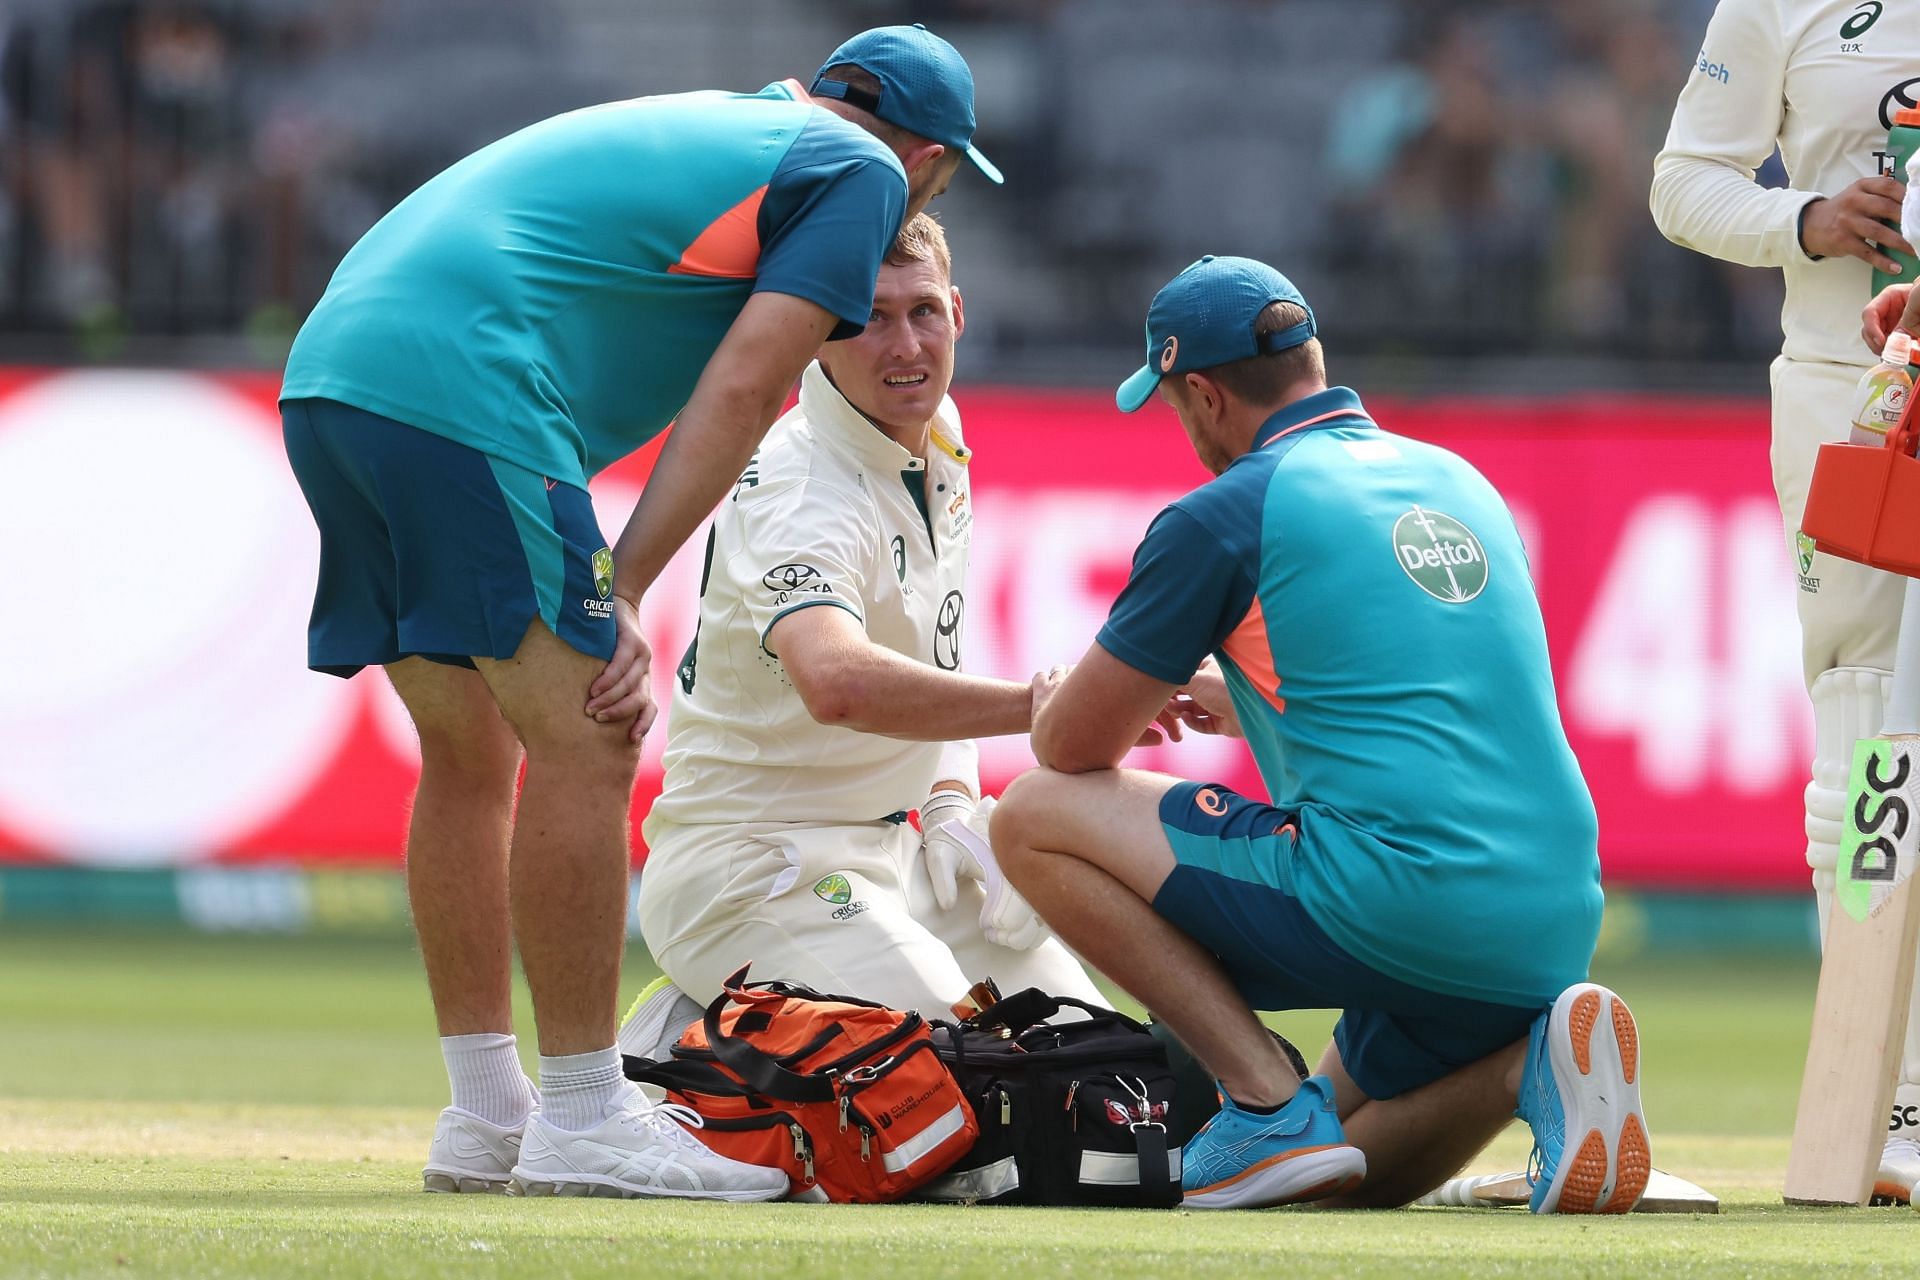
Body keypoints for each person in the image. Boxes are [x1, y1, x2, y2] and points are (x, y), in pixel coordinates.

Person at [277, 24, 1001, 1200]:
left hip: (333, 373)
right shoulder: (859, 174)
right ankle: (582, 1114)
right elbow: (751, 382)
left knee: (471, 750)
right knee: (593, 728)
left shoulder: (747, 127)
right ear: (926, 160)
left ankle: (487, 1112)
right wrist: (620, 584)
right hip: (463, 381)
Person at [988, 255, 1650, 1213]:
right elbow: (1400, 690)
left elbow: (1070, 749)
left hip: (1397, 899)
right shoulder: (1456, 478)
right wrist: (1238, 692)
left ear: (1204, 396)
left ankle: (1260, 1103)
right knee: (1322, 1185)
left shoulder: (1226, 513)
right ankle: (1532, 1067)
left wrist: (1068, 695)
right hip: (1551, 917)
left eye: (1174, 406)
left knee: (1032, 815)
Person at [622, 213, 1107, 1058]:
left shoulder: (940, 437)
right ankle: (692, 1056)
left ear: (957, 311)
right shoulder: (802, 484)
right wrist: (1036, 706)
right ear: (816, 334)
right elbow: (837, 679)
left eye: (921, 311)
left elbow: (931, 653)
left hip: (897, 858)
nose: (904, 346)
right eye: (868, 317)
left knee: (1096, 1069)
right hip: (753, 870)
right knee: (979, 1097)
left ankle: (740, 1031)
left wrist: (954, 802)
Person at [1650, 0, 1920, 1199]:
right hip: (1849, 389)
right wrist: (1805, 220)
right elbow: (1683, 181)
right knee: (1866, 716)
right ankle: (1894, 1097)